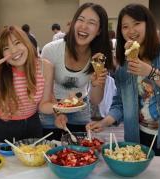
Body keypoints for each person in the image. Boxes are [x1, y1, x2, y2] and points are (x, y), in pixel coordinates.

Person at [87, 4, 160, 158]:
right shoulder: (124, 66)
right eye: (125, 27)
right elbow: (120, 104)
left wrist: (151, 72)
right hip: (137, 136)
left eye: (137, 24)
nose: (131, 31)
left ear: (148, 24)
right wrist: (104, 122)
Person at [40, 2, 113, 140]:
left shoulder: (98, 57)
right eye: (80, 20)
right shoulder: (51, 50)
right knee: (50, 153)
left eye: (91, 22)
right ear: (73, 23)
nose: (84, 26)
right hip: (52, 107)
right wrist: (58, 112)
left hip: (80, 109)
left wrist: (97, 84)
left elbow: (96, 100)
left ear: (99, 31)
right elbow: (45, 90)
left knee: (78, 154)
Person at [0, 26, 54, 142]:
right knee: (9, 160)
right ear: (1, 53)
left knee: (35, 159)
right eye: (6, 48)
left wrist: (62, 107)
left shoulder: (45, 67)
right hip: (5, 127)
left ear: (26, 43)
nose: (14, 51)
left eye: (17, 43)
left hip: (33, 124)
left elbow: (44, 106)